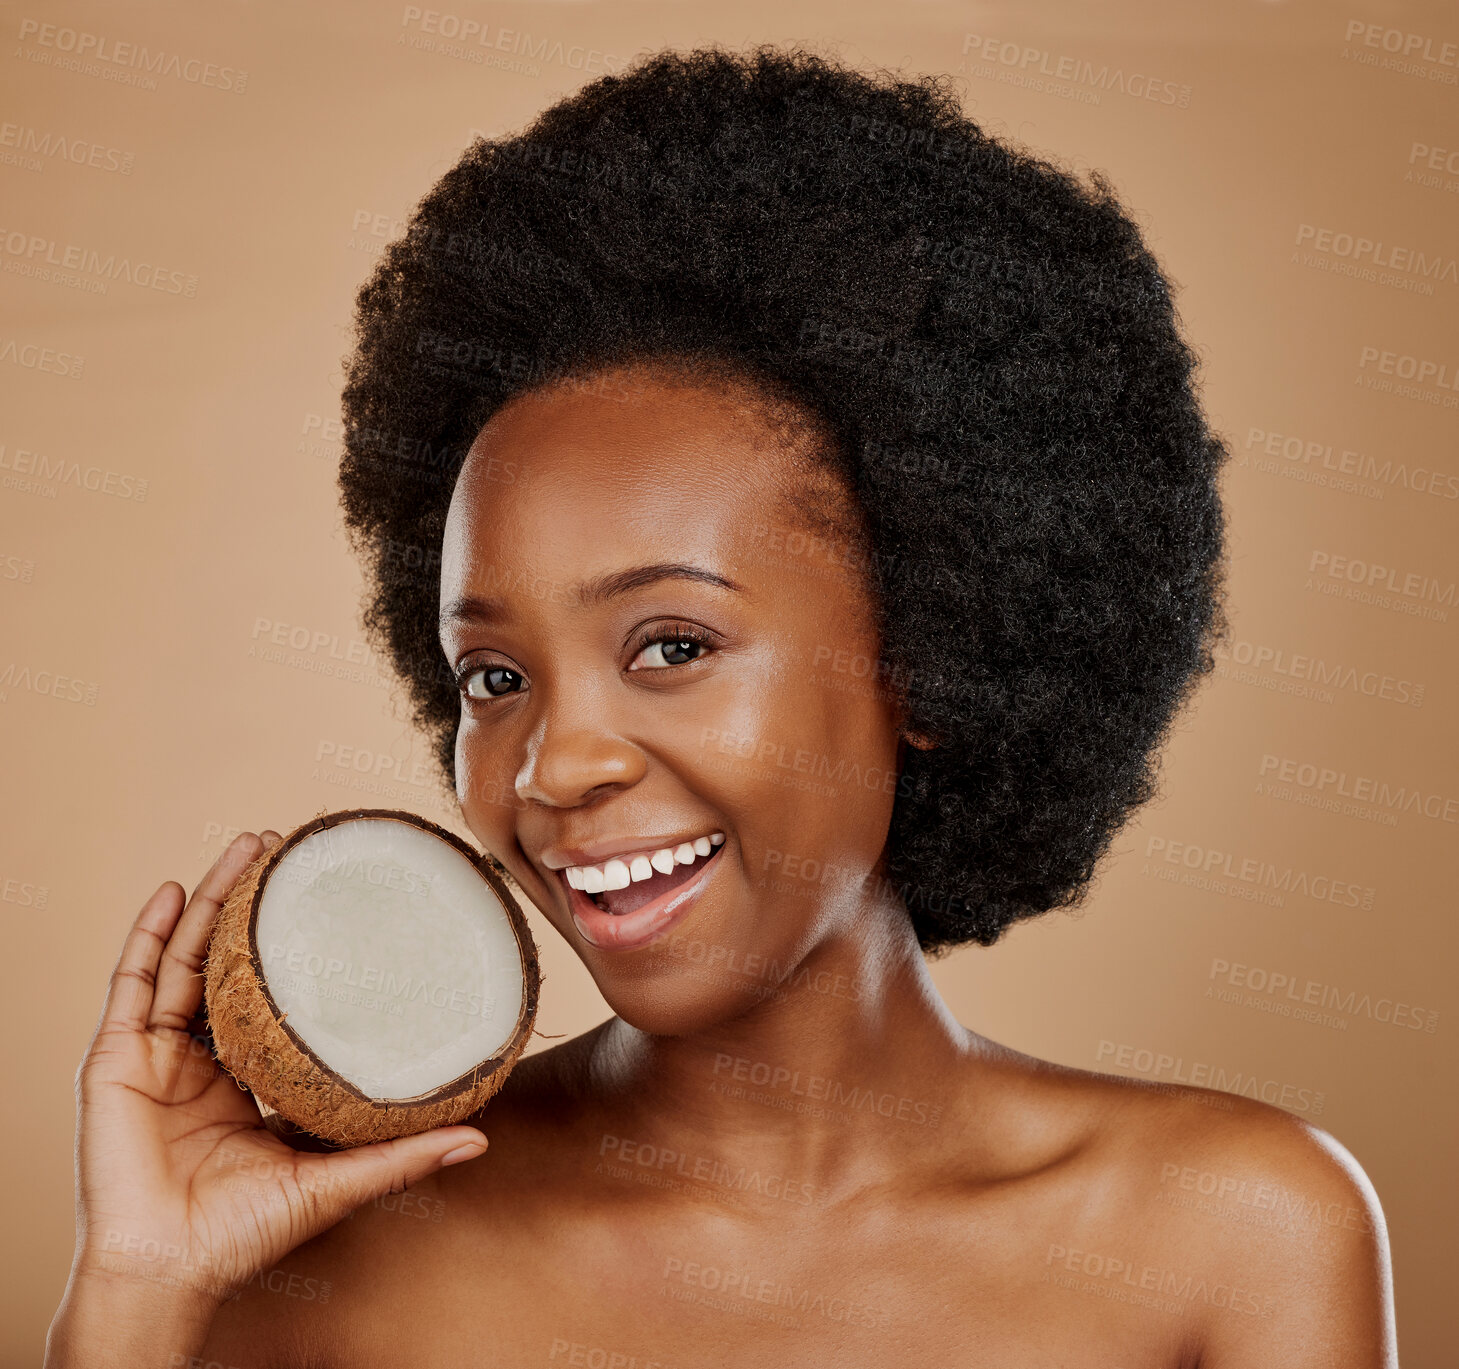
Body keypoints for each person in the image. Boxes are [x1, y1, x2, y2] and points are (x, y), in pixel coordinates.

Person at [47, 45, 1398, 1368]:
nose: (555, 766)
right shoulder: (334, 1250)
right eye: (496, 679)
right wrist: (136, 1295)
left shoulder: (1242, 1233)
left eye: (672, 643)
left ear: (927, 652)